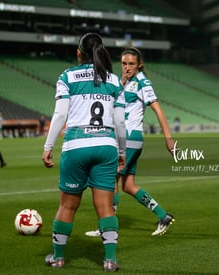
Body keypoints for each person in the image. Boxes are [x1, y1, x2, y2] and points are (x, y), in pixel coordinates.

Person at [42, 33, 126, 271]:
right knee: (106, 206)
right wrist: (121, 151)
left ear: (79, 53)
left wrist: (48, 147)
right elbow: (120, 121)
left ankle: (58, 258)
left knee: (68, 206)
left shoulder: (67, 76)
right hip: (106, 145)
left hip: (76, 144)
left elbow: (60, 115)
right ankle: (110, 260)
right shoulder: (113, 80)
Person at [85, 47, 176, 237]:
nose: (127, 67)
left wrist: (168, 139)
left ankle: (107, 227)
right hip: (125, 137)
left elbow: (158, 110)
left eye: (131, 64)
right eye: (124, 63)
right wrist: (122, 83)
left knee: (111, 180)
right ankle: (163, 216)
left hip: (130, 137)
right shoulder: (122, 82)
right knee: (128, 185)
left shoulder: (143, 82)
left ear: (139, 65)